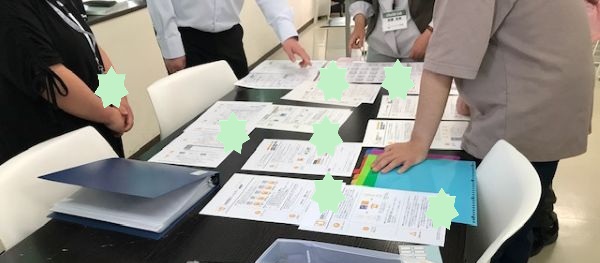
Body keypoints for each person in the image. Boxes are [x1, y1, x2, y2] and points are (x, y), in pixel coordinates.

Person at [371, 0, 594, 263]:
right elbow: (517, 35)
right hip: (555, 104)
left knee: (482, 229)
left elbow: (441, 64)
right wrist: (478, 95)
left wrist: (418, 142)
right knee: (517, 223)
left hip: (522, 114)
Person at [0, 0, 134, 165]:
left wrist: (116, 97)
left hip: (98, 125)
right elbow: (49, 77)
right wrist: (109, 115)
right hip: (55, 143)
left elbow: (91, 45)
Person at [147, 0, 312, 78]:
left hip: (230, 37)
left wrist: (287, 33)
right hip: (187, 40)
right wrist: (171, 47)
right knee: (193, 114)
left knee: (238, 104)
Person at [348, 0, 435, 62]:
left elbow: (443, 8)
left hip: (419, 43)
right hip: (379, 44)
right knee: (375, 82)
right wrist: (359, 23)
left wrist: (429, 33)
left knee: (419, 82)